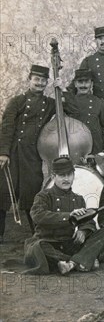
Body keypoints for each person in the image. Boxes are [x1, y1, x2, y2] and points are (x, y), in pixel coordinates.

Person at [24, 157, 104, 274]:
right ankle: (82, 260)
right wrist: (69, 216)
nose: (66, 179)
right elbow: (38, 216)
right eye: (62, 175)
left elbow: (88, 221)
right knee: (37, 247)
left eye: (69, 175)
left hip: (69, 243)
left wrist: (83, 231)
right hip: (48, 241)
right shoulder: (43, 196)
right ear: (53, 176)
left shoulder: (78, 199)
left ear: (74, 176)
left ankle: (69, 264)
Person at [0, 65, 56, 237]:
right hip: (14, 154)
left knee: (32, 194)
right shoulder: (17, 101)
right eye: (36, 79)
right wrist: (3, 153)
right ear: (29, 79)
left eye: (43, 80)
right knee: (3, 193)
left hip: (33, 156)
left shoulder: (49, 104)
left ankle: (36, 234)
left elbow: (70, 107)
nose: (39, 83)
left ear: (47, 82)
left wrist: (61, 88)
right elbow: (7, 127)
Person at [63, 69, 104, 153]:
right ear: (75, 84)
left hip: (95, 146)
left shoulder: (100, 102)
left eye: (86, 82)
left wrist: (103, 148)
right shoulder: (68, 101)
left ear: (91, 84)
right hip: (74, 145)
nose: (84, 85)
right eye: (80, 82)